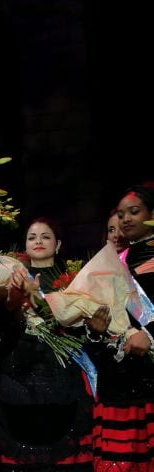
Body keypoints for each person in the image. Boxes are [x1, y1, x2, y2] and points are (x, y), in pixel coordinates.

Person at [0, 217, 98, 471]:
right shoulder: (7, 279)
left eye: (46, 236)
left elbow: (85, 334)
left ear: (58, 244)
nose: (38, 241)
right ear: (24, 245)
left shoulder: (76, 281)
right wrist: (12, 304)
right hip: (13, 380)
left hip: (62, 383)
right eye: (32, 237)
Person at [88, 185, 154, 470]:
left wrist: (150, 337)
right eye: (121, 214)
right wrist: (95, 329)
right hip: (119, 381)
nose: (125, 219)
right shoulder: (114, 264)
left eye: (134, 212)